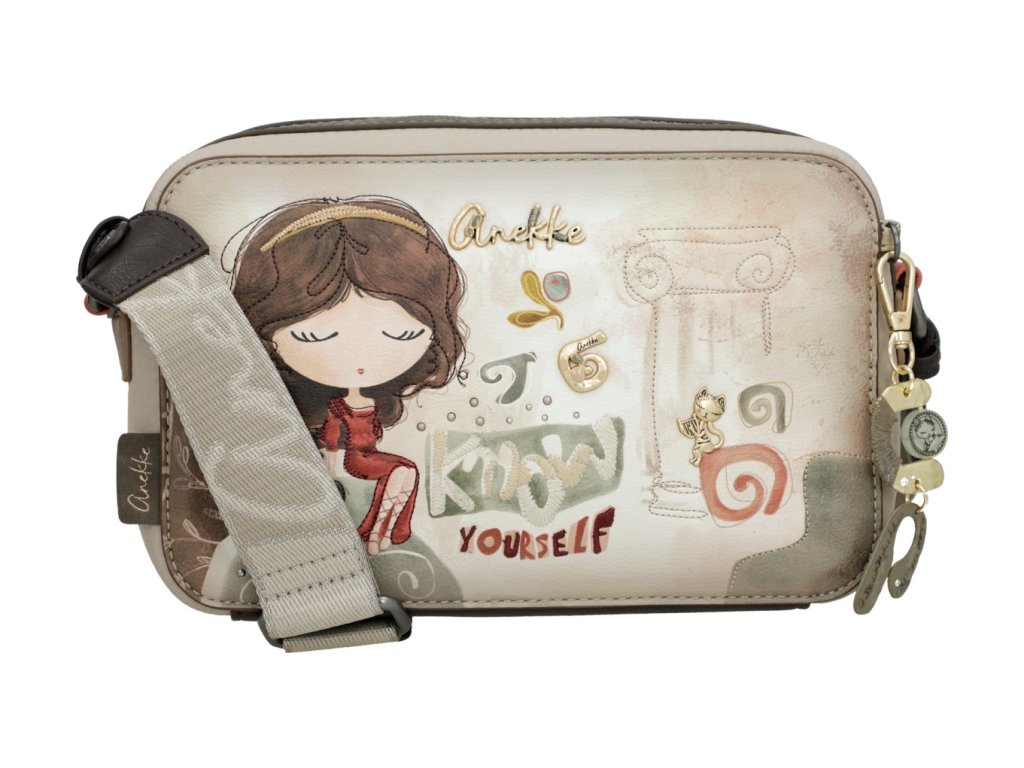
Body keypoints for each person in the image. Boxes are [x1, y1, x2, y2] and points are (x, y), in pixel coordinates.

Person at [231, 196, 467, 554]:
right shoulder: (299, 417)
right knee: (403, 471)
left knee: (404, 472)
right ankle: (377, 533)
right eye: (314, 336)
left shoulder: (363, 400)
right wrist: (329, 469)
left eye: (401, 334)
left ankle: (376, 533)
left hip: (357, 463)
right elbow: (331, 437)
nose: (359, 359)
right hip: (350, 463)